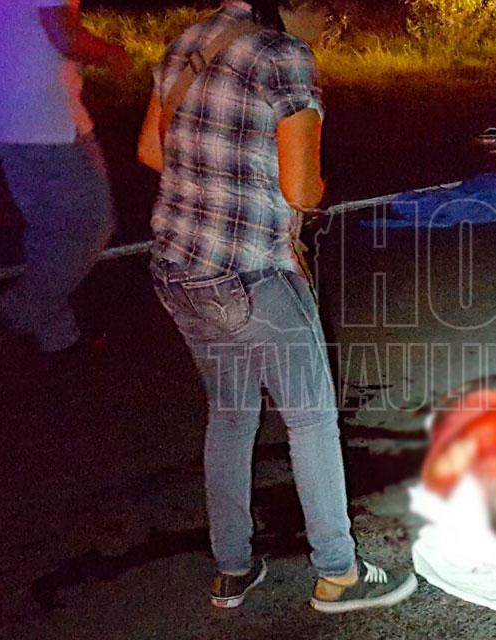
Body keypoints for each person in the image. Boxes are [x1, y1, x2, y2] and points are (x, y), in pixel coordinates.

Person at [142, 0, 417, 610]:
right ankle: (339, 573)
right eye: (329, 12)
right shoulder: (284, 55)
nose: (330, 25)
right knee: (311, 419)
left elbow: (153, 153)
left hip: (179, 269)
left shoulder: (190, 40)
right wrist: (307, 184)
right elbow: (301, 188)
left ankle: (232, 567)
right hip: (251, 273)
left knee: (230, 416)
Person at [0, 0, 129, 354]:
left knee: (50, 231)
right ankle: (15, 312)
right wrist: (113, 54)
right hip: (51, 120)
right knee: (91, 225)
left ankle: (57, 338)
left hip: (4, 118)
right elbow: (65, 36)